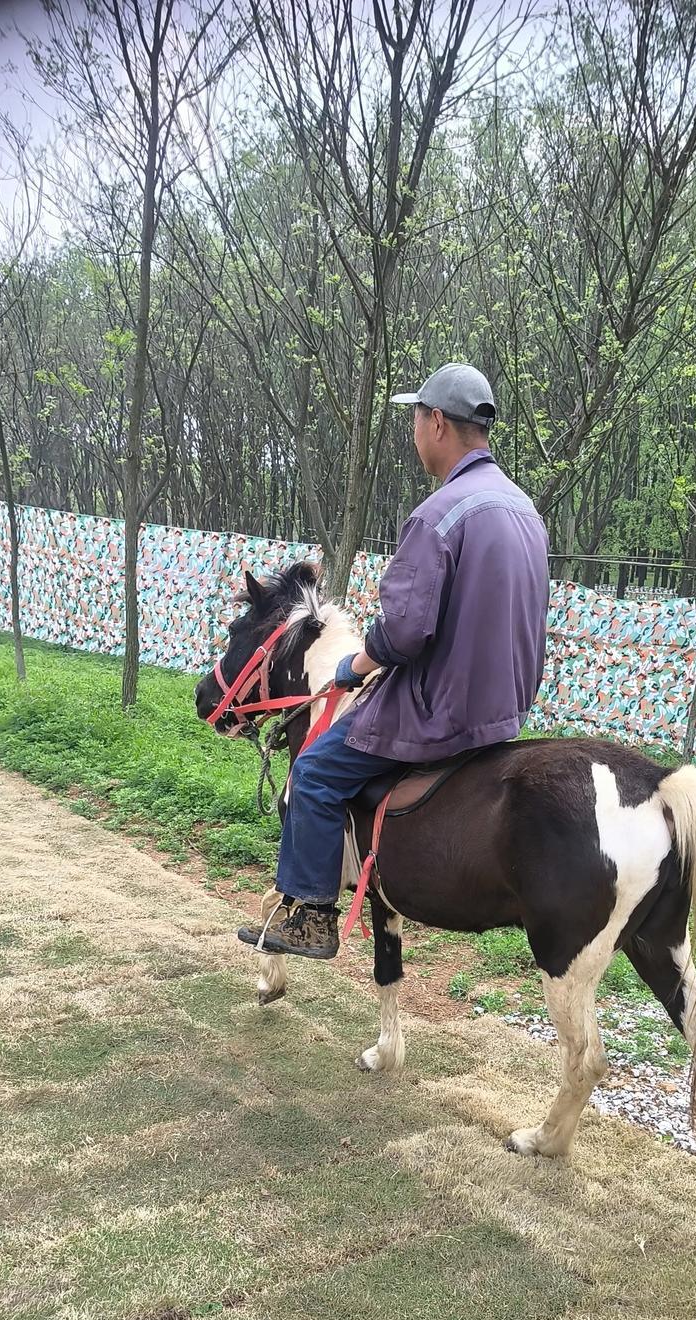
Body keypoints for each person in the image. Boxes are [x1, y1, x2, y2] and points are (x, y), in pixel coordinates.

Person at [237, 362, 551, 959]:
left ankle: (312, 917)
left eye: (414, 419)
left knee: (315, 770)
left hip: (438, 712)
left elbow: (405, 633)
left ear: (436, 423)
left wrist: (356, 663)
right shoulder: (526, 512)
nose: (414, 432)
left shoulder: (439, 515)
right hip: (504, 710)